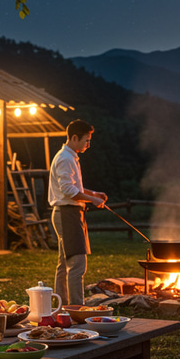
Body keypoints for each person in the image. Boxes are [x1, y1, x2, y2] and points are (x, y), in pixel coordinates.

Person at [48, 119, 107, 306]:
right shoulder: (65, 158)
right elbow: (68, 191)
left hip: (70, 213)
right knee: (77, 264)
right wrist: (93, 200)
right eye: (86, 140)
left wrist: (93, 193)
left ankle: (63, 306)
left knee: (64, 263)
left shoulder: (69, 156)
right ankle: (77, 309)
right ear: (74, 138)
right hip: (67, 214)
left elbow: (75, 187)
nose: (88, 145)